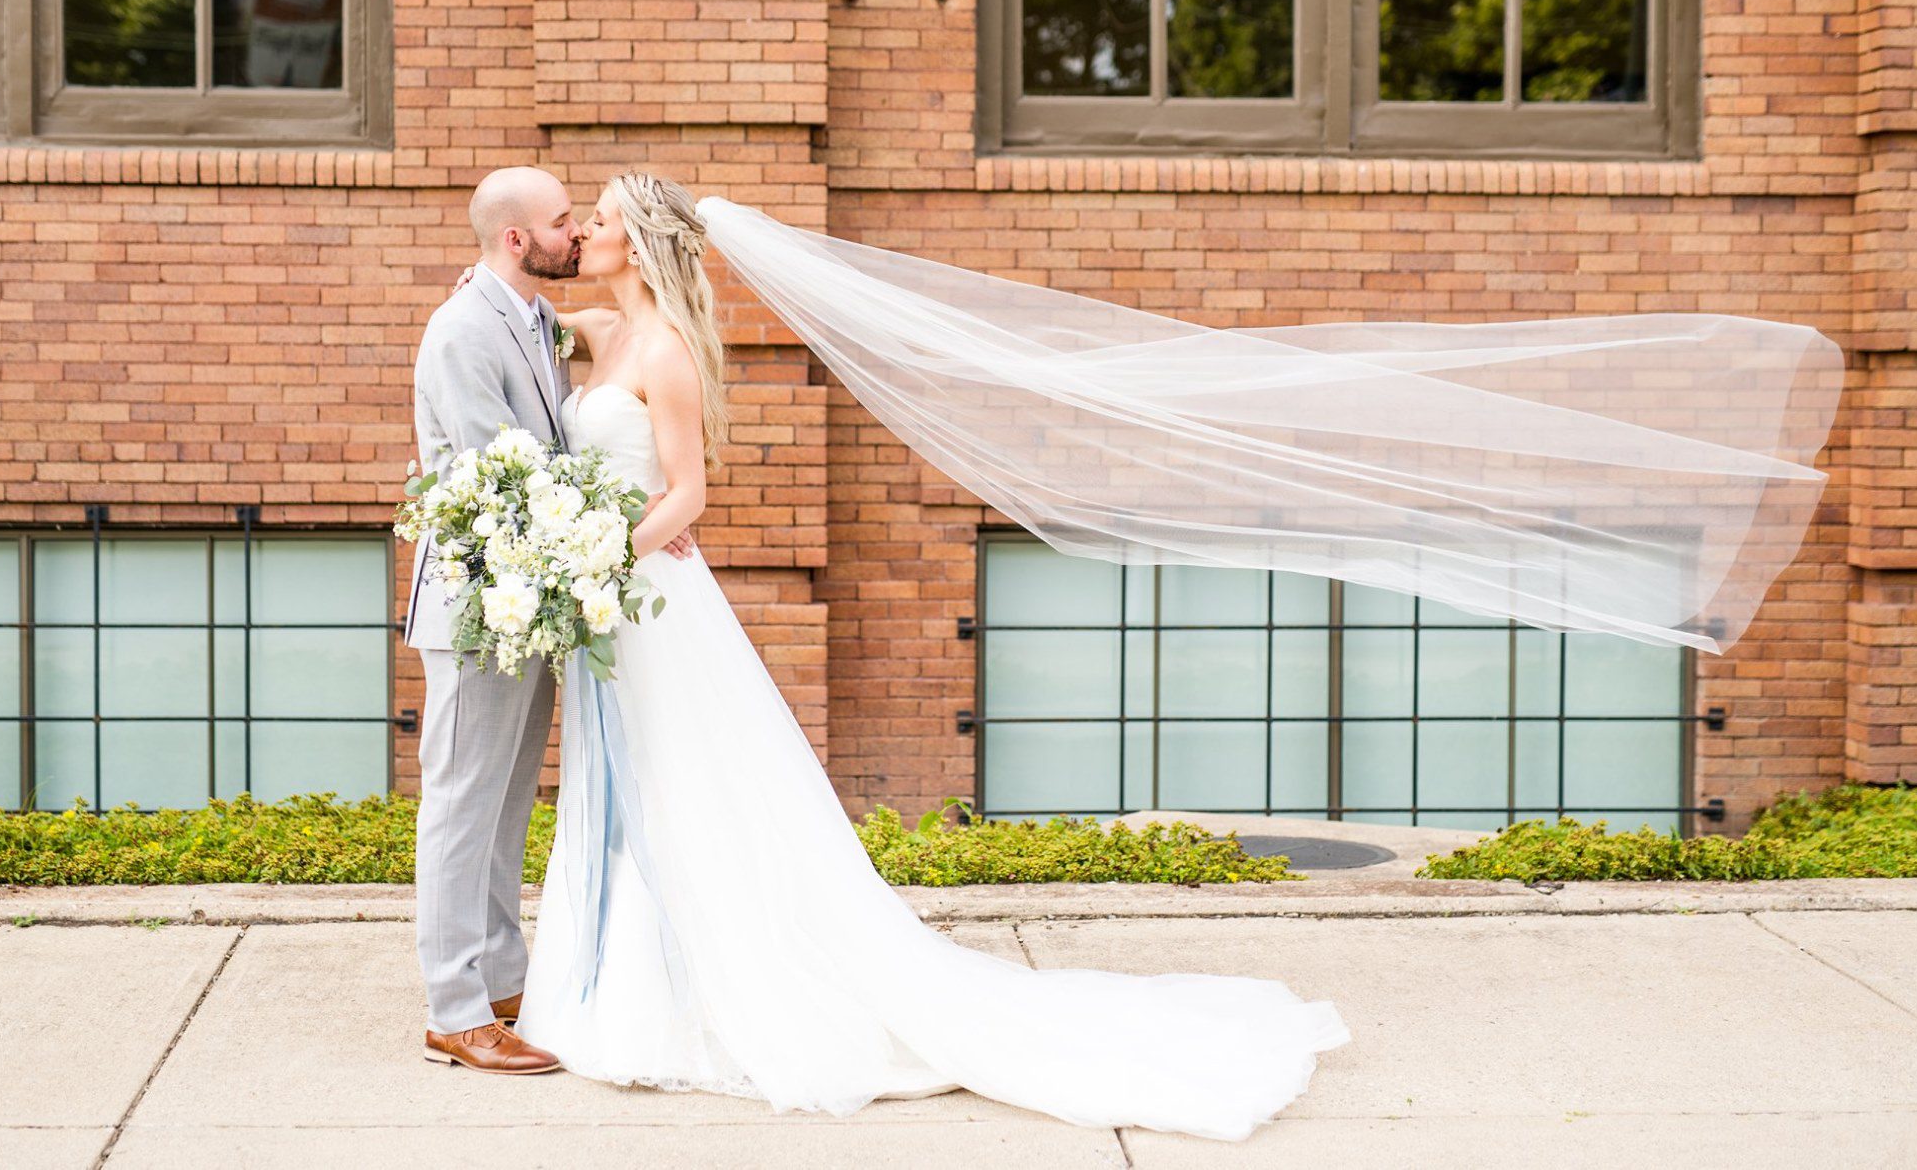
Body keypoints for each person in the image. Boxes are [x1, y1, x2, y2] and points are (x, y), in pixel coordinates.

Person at [511, 172, 1351, 1141]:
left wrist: (603, 555)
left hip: (646, 597)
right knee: (625, 785)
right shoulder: (602, 329)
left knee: (680, 783)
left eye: (602, 220)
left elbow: (689, 493)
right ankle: (624, 980)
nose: (587, 232)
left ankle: (694, 989)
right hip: (610, 601)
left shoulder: (665, 351)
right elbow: (521, 306)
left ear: (643, 242)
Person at [406, 167, 692, 1075]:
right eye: (565, 221)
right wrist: (614, 532)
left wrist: (640, 509)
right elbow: (500, 475)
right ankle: (455, 1011)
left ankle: (499, 981)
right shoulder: (462, 330)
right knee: (462, 803)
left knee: (503, 804)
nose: (577, 232)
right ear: (516, 239)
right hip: (479, 608)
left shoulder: (535, 317)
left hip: (532, 604)